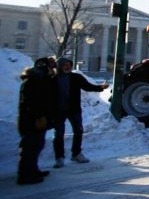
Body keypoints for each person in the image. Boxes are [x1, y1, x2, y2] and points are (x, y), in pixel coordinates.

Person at [53, 57, 108, 167]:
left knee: (78, 131)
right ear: (59, 67)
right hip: (59, 110)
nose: (67, 67)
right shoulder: (53, 78)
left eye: (69, 65)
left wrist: (100, 87)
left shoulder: (76, 77)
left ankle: (76, 153)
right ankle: (59, 157)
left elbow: (87, 87)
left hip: (74, 109)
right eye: (65, 65)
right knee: (59, 134)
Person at [17, 57, 57, 185]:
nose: (52, 69)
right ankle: (25, 175)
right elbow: (33, 102)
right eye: (50, 67)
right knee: (29, 147)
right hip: (32, 121)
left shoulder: (41, 80)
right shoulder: (33, 82)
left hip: (37, 120)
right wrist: (39, 116)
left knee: (36, 146)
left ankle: (33, 170)